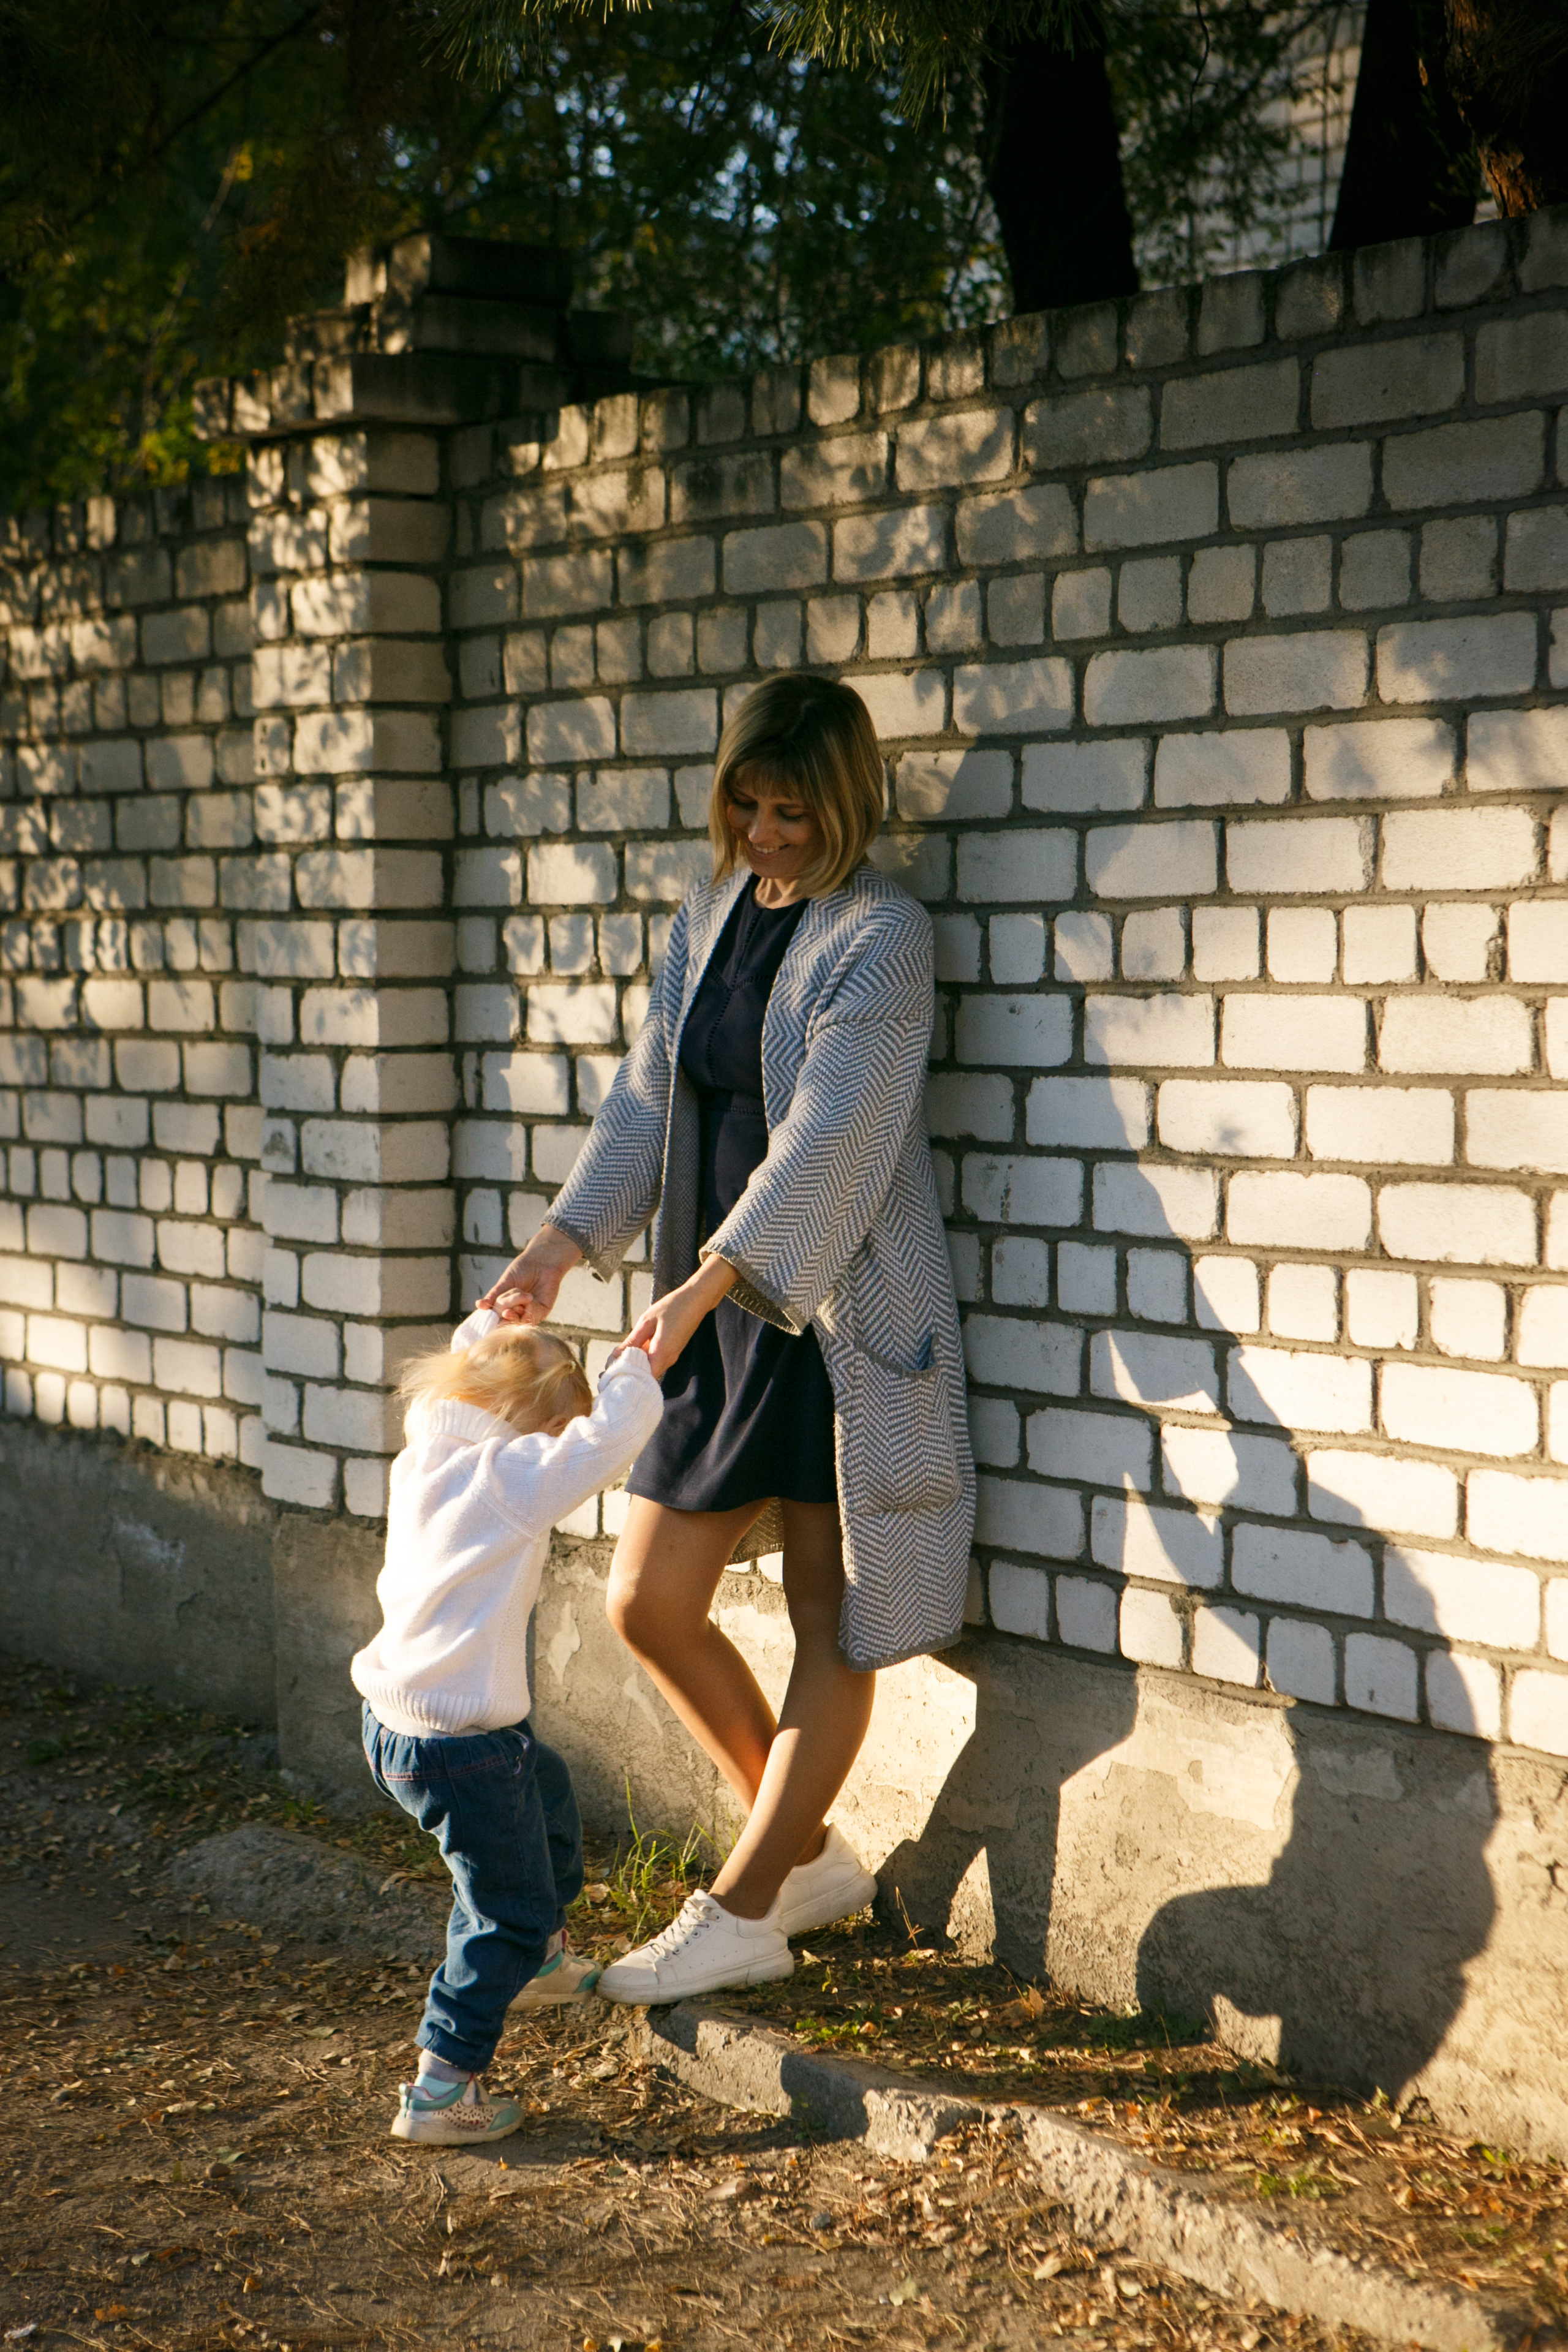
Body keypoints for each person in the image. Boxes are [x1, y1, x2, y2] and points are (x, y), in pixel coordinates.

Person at [477, 674, 976, 2004]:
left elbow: (830, 1138)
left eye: (792, 813)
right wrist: (557, 1249)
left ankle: (743, 1907)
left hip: (821, 1313)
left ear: (846, 806)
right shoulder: (703, 919)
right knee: (648, 1602)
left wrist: (705, 1289)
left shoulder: (881, 933)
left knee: (831, 1621)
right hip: (700, 1310)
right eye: (746, 807)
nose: (763, 834)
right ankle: (802, 1857)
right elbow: (645, 1104)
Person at [352, 1310, 663, 2143]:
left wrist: (493, 1319)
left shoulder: (431, 1443)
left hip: (398, 1727)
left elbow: (475, 1360)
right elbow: (607, 1443)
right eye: (553, 1427)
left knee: (544, 1782)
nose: (555, 1445)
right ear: (529, 1425)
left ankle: (546, 1957)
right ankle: (443, 2090)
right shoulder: (504, 1476)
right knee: (501, 1914)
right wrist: (638, 1361)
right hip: (461, 1747)